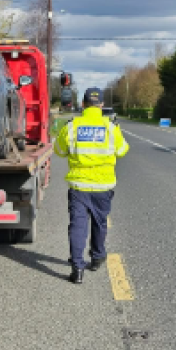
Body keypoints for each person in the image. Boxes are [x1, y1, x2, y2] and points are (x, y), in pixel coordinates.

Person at [53, 88, 129, 284]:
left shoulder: (72, 126)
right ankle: (97, 257)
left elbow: (59, 150)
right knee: (100, 222)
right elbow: (122, 150)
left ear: (83, 104)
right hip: (103, 185)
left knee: (78, 225)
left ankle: (77, 269)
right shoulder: (110, 127)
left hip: (79, 186)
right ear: (101, 105)